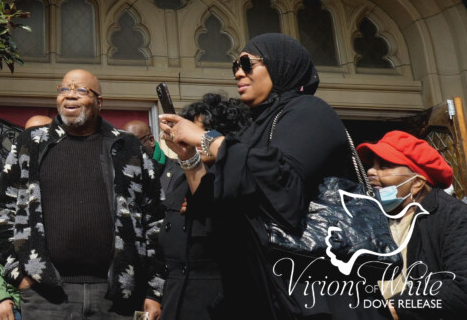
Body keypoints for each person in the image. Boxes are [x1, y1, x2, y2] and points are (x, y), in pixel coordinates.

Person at [159, 34, 388, 320]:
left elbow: (281, 180)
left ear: (280, 65)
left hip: (315, 288)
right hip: (262, 290)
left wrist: (208, 139)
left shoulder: (309, 112)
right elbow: (212, 204)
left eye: (247, 63)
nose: (239, 72)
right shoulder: (251, 129)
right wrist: (187, 156)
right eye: (235, 66)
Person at [0, 69, 164, 319]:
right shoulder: (30, 143)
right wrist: (19, 276)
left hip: (117, 298)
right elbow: (1, 211)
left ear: (99, 102)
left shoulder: (127, 147)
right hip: (46, 297)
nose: (70, 96)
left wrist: (154, 290)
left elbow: (155, 219)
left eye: (81, 90)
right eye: (64, 89)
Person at [154, 93, 250, 320]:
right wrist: (154, 294)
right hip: (176, 298)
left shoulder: (238, 177)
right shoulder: (178, 179)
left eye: (197, 133)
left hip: (218, 300)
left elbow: (221, 228)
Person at [357, 130, 467, 319]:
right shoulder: (371, 217)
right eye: (372, 165)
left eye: (384, 166)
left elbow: (461, 289)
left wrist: (396, 308)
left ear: (416, 182)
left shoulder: (452, 216)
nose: (371, 172)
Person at [0, 115, 51, 320]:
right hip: (15, 305)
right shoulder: (1, 189)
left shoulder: (74, 184)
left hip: (65, 303)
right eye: (27, 135)